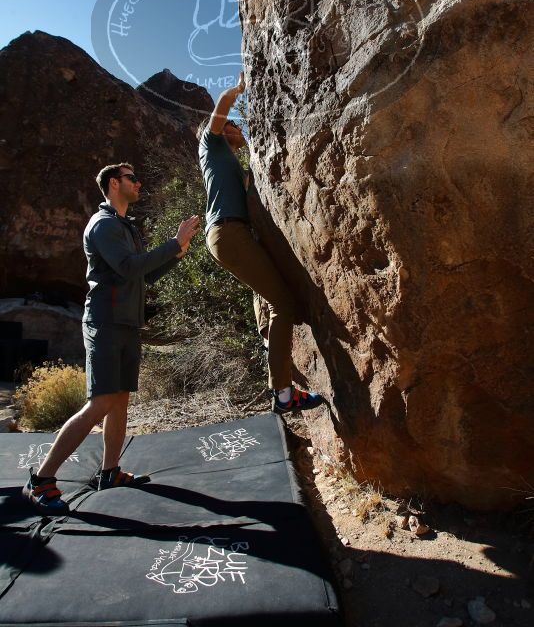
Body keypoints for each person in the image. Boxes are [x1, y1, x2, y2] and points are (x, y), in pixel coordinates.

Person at [22, 162, 199, 515]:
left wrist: (178, 251)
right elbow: (129, 267)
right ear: (115, 183)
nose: (139, 183)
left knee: (119, 400)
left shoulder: (124, 226)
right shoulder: (103, 225)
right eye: (133, 178)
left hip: (126, 323)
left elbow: (143, 276)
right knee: (101, 402)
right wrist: (172, 242)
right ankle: (40, 479)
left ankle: (110, 472)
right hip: (104, 322)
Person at [198, 72, 324, 415]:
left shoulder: (229, 163)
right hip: (227, 232)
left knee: (272, 302)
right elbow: (221, 109)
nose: (238, 128)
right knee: (283, 303)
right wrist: (238, 90)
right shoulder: (210, 146)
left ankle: (270, 345)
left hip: (232, 235)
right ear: (222, 131)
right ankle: (283, 395)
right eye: (234, 125)